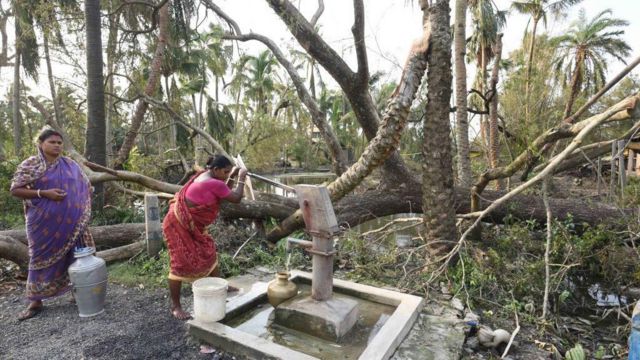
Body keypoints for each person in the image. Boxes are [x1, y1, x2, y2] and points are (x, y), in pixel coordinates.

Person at [10, 127, 95, 321]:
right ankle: (35, 301)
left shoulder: (70, 164)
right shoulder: (31, 165)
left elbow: (86, 187)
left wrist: (79, 202)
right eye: (52, 142)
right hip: (42, 223)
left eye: (59, 142)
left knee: (78, 254)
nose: (57, 146)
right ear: (41, 144)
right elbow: (15, 190)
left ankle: (79, 293)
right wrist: (44, 193)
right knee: (39, 258)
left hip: (73, 223)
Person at [162, 155, 247, 320]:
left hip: (191, 224)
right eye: (226, 172)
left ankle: (221, 285)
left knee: (209, 250)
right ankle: (176, 306)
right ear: (215, 170)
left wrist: (232, 176)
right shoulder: (213, 182)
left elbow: (223, 192)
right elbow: (235, 198)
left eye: (229, 171)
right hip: (178, 224)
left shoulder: (206, 175)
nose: (227, 174)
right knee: (179, 263)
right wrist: (242, 177)